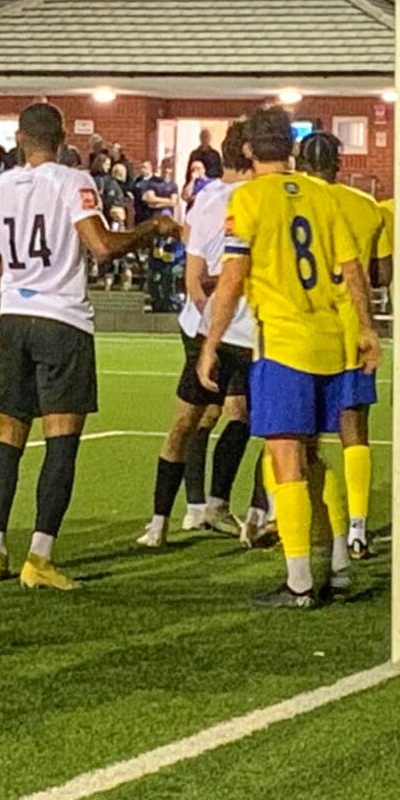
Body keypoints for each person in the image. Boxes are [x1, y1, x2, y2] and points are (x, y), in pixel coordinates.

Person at [0, 102, 174, 589]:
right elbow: (102, 246)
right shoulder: (72, 182)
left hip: (13, 319)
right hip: (61, 319)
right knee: (61, 440)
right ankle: (39, 558)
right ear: (63, 140)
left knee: (8, 435)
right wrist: (150, 229)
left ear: (20, 138)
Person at [197, 107, 377, 608]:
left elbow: (233, 276)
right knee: (317, 458)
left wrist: (210, 342)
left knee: (285, 459)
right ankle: (338, 565)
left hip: (283, 344)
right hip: (330, 342)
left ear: (250, 151)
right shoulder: (323, 195)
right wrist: (366, 327)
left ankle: (299, 582)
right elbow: (352, 268)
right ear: (292, 149)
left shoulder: (247, 198)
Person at [138, 120, 257, 548]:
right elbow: (196, 276)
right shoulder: (223, 200)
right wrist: (217, 319)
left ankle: (211, 506)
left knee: (233, 416)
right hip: (216, 331)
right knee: (192, 419)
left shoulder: (213, 197)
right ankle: (166, 518)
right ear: (250, 152)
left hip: (231, 331)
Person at [294, 130, 391, 559]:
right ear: (338, 163)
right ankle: (356, 529)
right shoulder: (366, 208)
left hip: (299, 331)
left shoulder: (289, 202)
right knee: (354, 431)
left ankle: (302, 523)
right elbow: (381, 274)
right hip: (351, 330)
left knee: (296, 436)